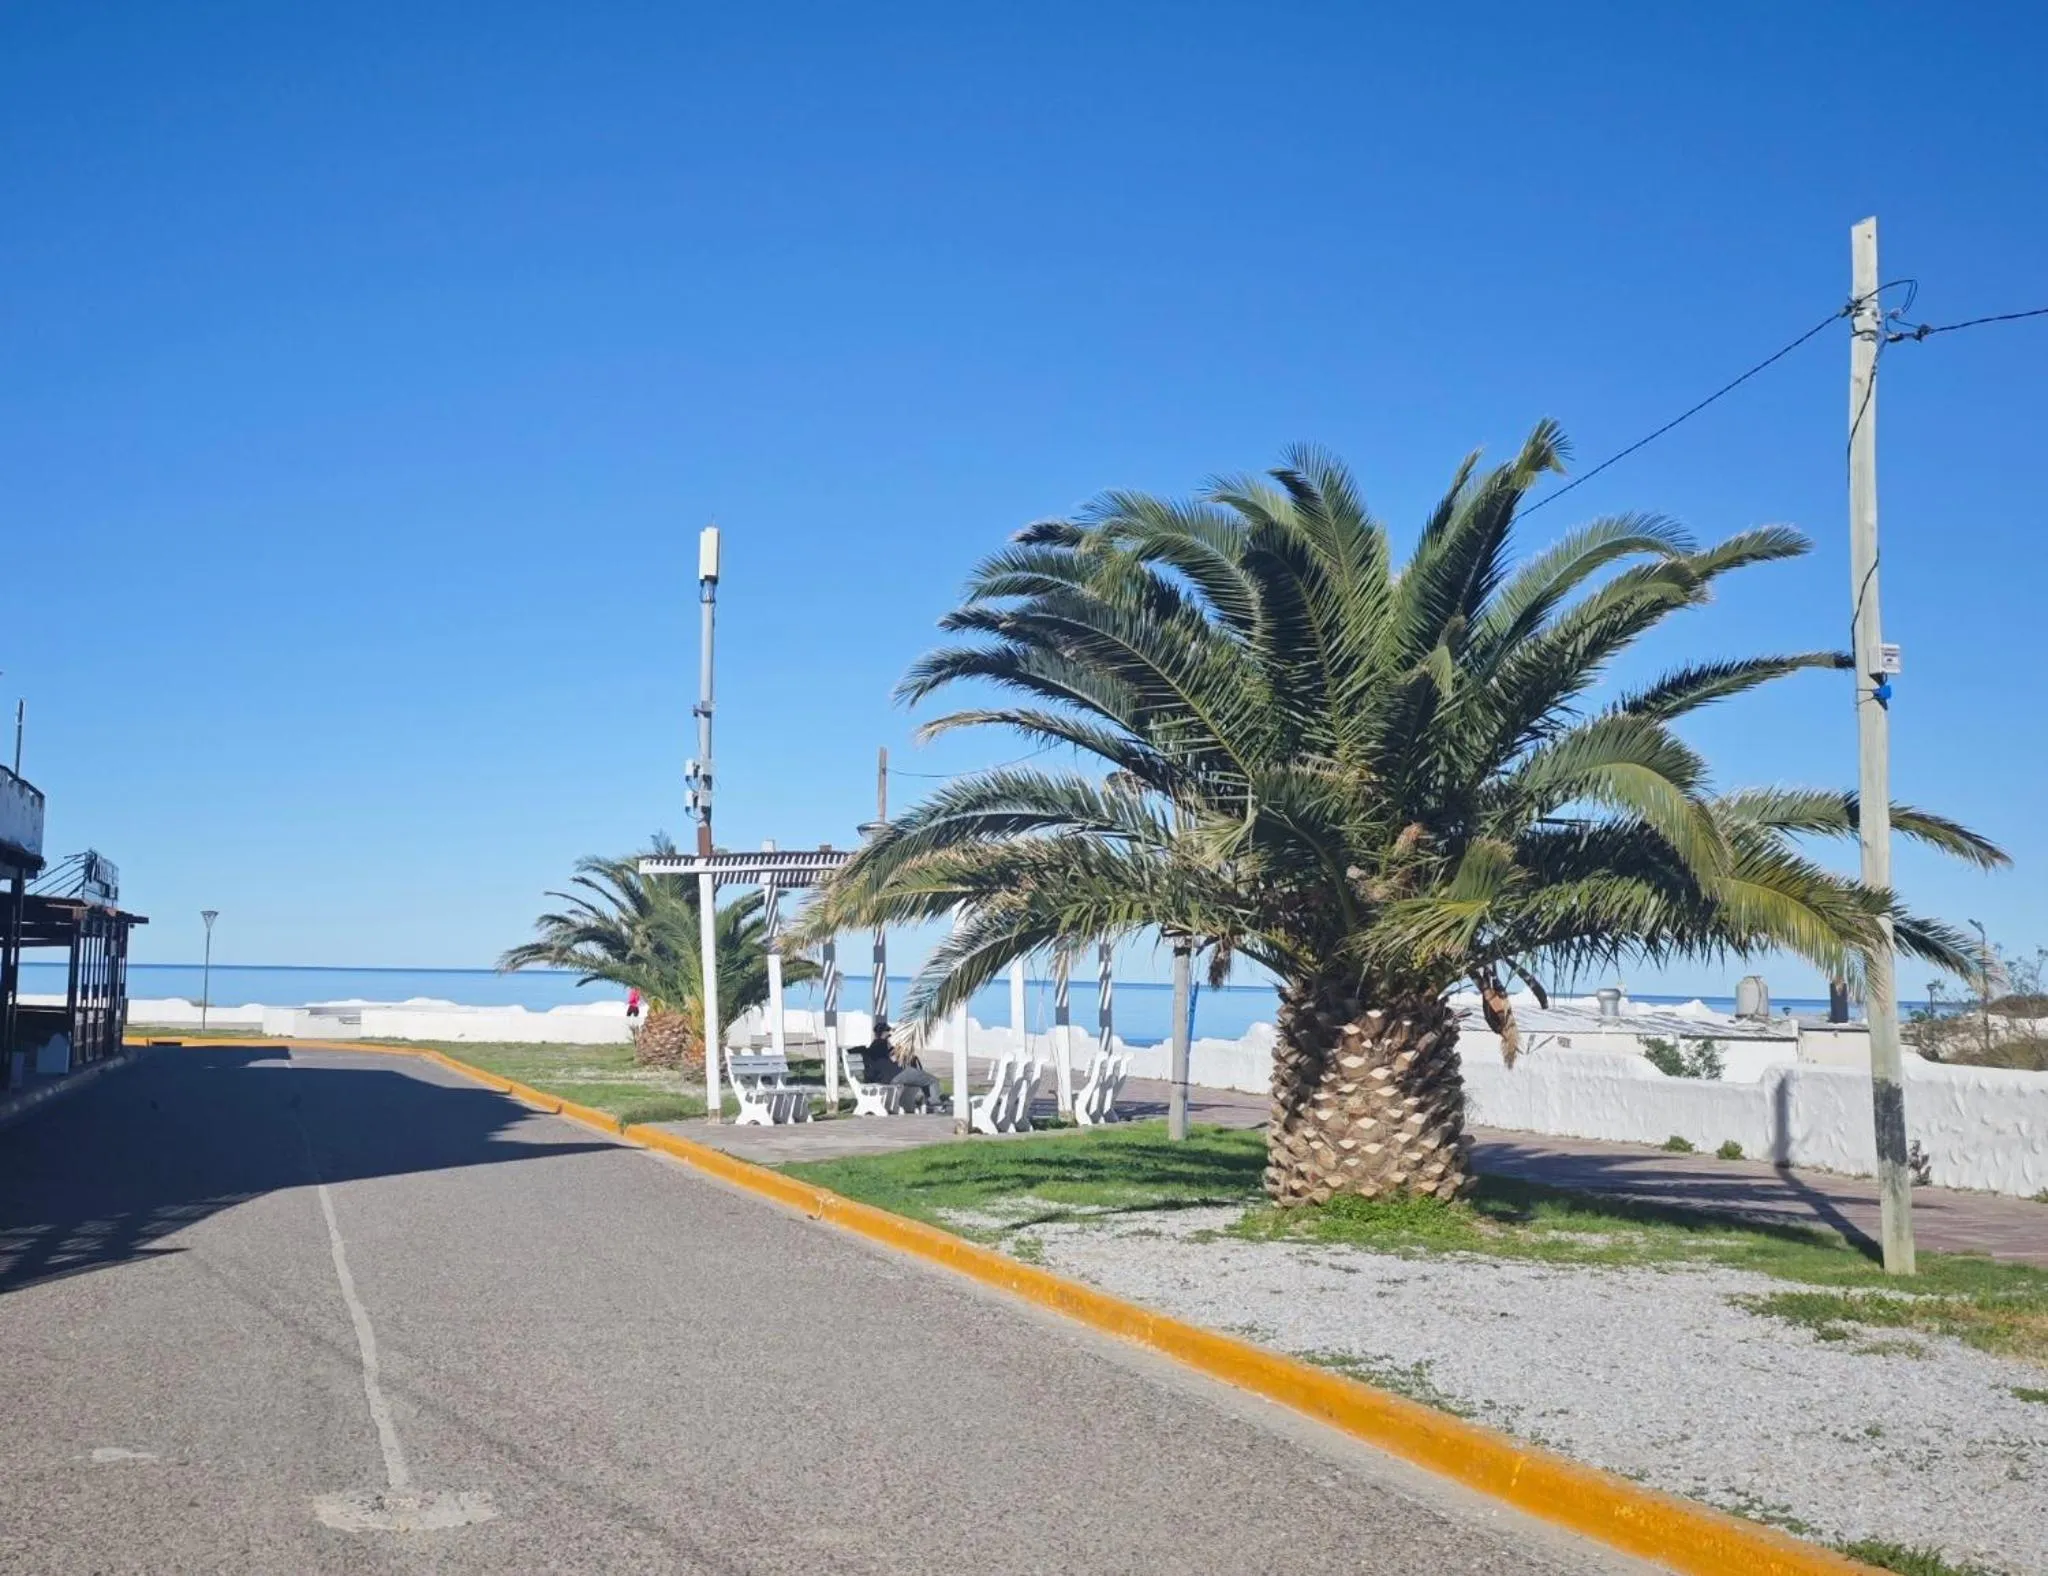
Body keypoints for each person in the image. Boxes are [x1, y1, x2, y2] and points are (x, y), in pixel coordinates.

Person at [862, 1021, 944, 1114]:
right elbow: (897, 1054)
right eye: (888, 1032)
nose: (890, 1035)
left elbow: (893, 1056)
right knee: (933, 1080)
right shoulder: (882, 1044)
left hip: (890, 1076)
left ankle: (923, 1101)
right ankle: (935, 1103)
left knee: (922, 1078)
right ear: (884, 1033)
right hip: (898, 1074)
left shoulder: (875, 1047)